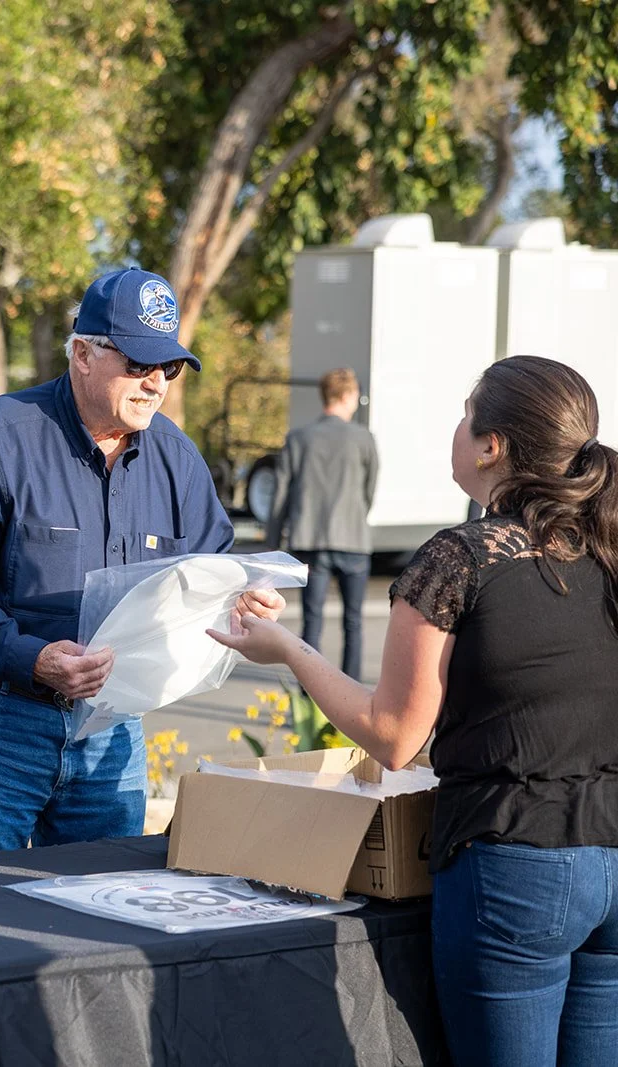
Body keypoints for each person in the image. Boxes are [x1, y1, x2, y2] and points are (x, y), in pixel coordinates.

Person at [212, 355, 618, 1066]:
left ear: (492, 444)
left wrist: (290, 650)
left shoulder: (460, 559)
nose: (458, 429)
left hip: (518, 862)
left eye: (467, 415)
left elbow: (395, 738)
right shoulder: (608, 549)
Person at [0, 268, 283, 856]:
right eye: (138, 365)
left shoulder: (178, 459)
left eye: (170, 368)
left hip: (113, 730)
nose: (156, 384)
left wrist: (243, 599)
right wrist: (30, 658)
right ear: (83, 354)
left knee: (104, 917)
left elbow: (210, 571)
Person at [265, 368, 380, 679]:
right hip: (353, 540)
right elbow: (369, 491)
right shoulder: (364, 438)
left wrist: (273, 542)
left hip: (310, 540)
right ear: (346, 396)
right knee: (353, 622)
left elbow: (281, 494)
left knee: (312, 620)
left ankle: (308, 693)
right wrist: (356, 516)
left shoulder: (299, 438)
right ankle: (351, 691)